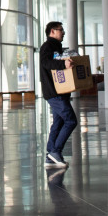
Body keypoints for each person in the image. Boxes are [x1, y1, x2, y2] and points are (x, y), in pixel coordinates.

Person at [38, 20, 77, 168]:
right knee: (71, 121)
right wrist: (63, 64)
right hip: (54, 92)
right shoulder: (47, 46)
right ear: (52, 31)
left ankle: (50, 156)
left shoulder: (57, 47)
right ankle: (55, 151)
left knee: (58, 122)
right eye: (61, 30)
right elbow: (46, 63)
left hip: (59, 91)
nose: (63, 33)